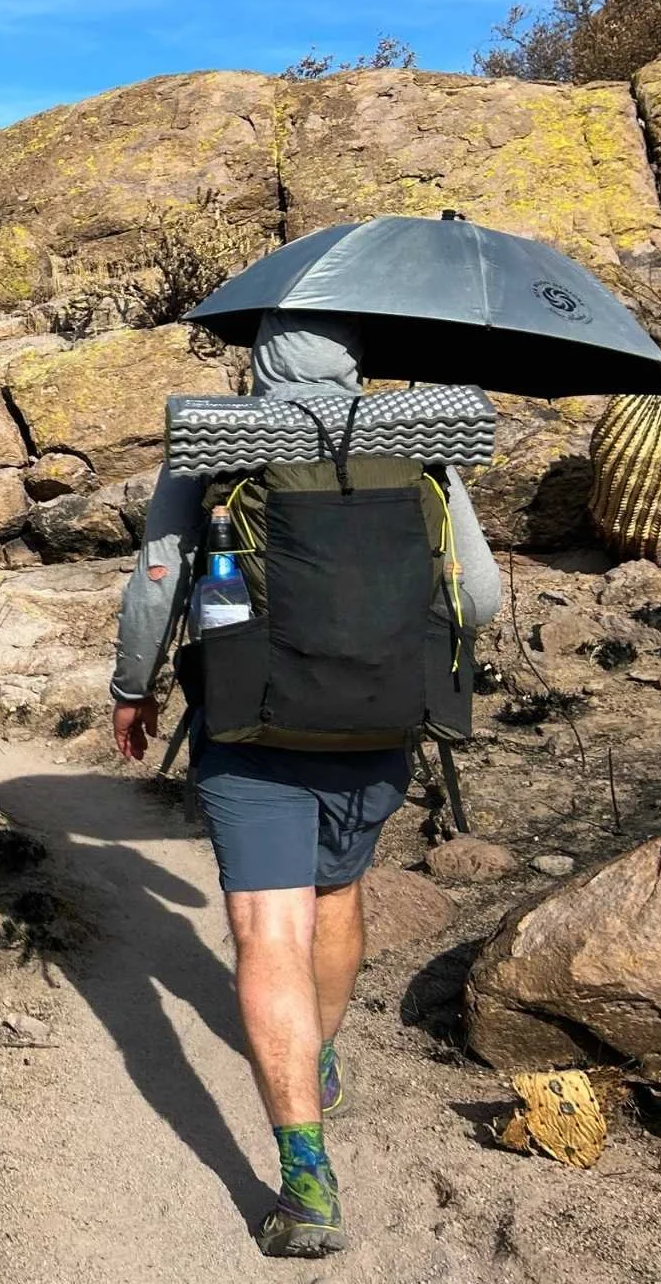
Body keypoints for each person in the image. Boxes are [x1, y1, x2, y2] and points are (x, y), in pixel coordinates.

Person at [108, 310, 500, 1259]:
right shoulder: (422, 447)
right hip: (377, 725)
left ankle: (305, 1181)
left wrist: (133, 685)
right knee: (337, 894)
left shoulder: (217, 442)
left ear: (261, 360)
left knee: (266, 930)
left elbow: (161, 579)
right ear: (355, 362)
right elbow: (478, 595)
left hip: (252, 722)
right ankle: (317, 1056)